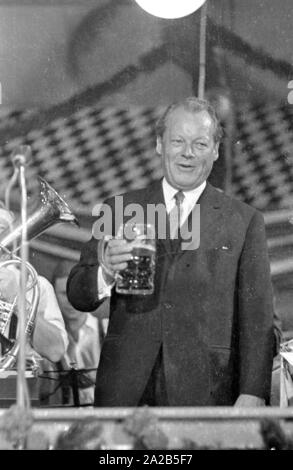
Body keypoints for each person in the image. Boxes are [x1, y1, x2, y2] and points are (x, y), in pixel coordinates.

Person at [67, 96, 275, 407]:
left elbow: (258, 319)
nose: (188, 153)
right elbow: (77, 293)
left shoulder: (244, 221)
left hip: (207, 394)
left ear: (216, 151)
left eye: (200, 144)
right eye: (177, 141)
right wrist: (105, 271)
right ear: (159, 145)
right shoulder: (119, 209)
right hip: (125, 392)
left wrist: (253, 392)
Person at [0, 206, 68, 365]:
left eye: (1, 231)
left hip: (13, 385)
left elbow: (55, 351)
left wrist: (18, 301)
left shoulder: (36, 285)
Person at [49, 260, 106, 406]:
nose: (71, 300)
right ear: (53, 296)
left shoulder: (108, 329)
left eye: (76, 292)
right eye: (63, 294)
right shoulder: (50, 340)